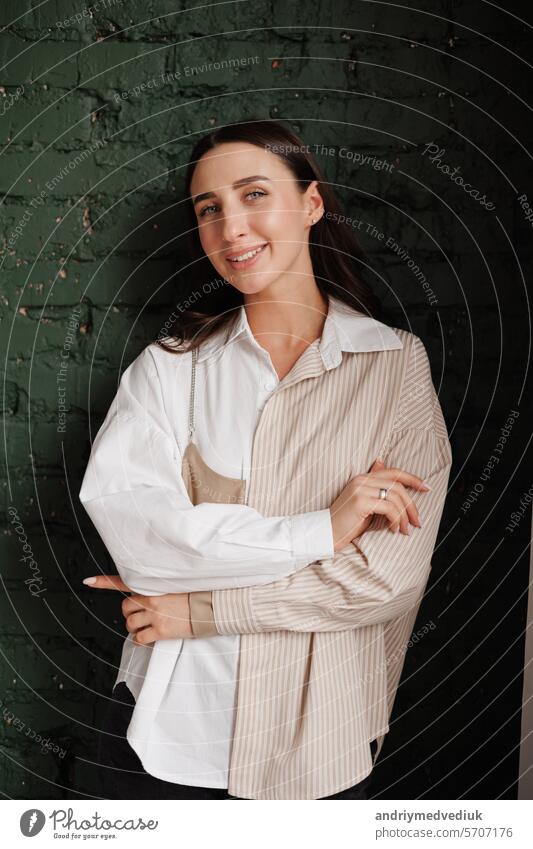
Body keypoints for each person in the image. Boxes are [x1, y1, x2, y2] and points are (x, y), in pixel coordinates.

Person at [79, 120, 452, 800]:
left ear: (310, 204)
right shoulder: (169, 370)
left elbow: (382, 581)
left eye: (253, 194)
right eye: (208, 209)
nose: (231, 228)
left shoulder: (393, 367)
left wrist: (198, 612)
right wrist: (319, 531)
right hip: (168, 732)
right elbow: (143, 548)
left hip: (319, 745)